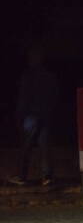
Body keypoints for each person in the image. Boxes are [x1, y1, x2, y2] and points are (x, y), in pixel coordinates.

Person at [8, 50, 59, 186]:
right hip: (45, 114)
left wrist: (19, 115)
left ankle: (22, 176)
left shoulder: (28, 76)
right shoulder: (49, 76)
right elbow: (55, 95)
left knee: (26, 146)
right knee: (45, 146)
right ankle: (47, 176)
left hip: (31, 115)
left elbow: (24, 97)